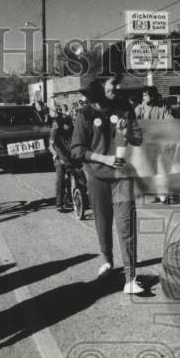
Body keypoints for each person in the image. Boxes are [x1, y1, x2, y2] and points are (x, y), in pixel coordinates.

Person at [69, 77, 145, 295]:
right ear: (99, 86)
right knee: (103, 223)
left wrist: (126, 134)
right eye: (112, 83)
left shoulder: (124, 107)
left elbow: (139, 139)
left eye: (117, 83)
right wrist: (105, 159)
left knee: (126, 225)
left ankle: (130, 278)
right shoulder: (84, 114)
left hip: (122, 177)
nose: (117, 87)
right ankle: (108, 262)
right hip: (97, 177)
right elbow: (77, 150)